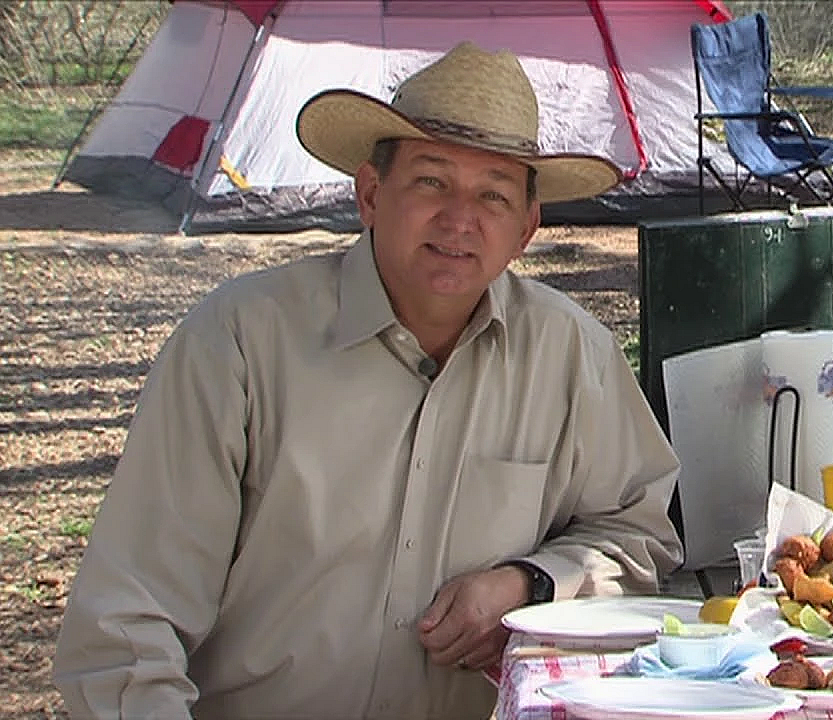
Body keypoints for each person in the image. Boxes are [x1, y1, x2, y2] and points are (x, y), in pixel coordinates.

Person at [53, 42, 683, 719]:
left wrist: (528, 584)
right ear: (371, 194)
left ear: (527, 227)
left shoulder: (570, 353)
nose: (460, 219)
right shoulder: (238, 343)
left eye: (493, 195)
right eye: (431, 182)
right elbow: (126, 630)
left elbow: (639, 533)